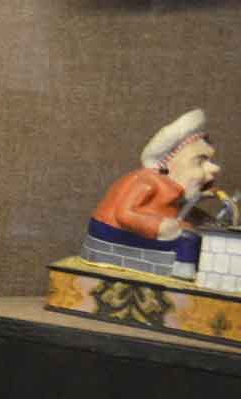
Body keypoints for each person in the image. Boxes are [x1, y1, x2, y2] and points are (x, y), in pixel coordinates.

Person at [82, 110, 221, 280]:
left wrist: (203, 214)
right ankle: (183, 273)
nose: (214, 168)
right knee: (188, 239)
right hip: (111, 232)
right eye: (200, 161)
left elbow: (177, 208)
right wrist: (161, 227)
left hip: (143, 229)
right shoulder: (146, 181)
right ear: (168, 164)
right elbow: (124, 214)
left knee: (201, 235)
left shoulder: (172, 187)